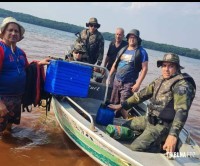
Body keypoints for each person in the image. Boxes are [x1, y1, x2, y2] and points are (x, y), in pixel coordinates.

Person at [108, 53, 196, 153]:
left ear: (177, 67)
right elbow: (141, 95)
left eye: (171, 66)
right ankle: (142, 136)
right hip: (150, 120)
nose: (166, 69)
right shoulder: (160, 80)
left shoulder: (182, 85)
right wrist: (122, 105)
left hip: (163, 126)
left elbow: (182, 110)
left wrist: (173, 135)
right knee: (125, 127)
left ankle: (161, 147)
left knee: (136, 147)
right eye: (164, 66)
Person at [0, 17, 51, 135]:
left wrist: (39, 63)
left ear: (20, 35)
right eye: (10, 30)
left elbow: (26, 69)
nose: (13, 33)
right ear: (3, 32)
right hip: (2, 98)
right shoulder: (1, 50)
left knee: (8, 128)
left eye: (16, 31)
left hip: (16, 98)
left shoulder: (20, 52)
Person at [109, 29, 148, 119]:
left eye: (134, 37)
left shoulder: (141, 52)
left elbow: (145, 69)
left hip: (128, 83)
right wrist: (109, 76)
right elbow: (115, 63)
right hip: (117, 80)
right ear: (127, 38)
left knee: (124, 105)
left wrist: (138, 84)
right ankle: (113, 120)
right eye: (130, 37)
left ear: (138, 39)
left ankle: (129, 123)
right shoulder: (123, 49)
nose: (132, 39)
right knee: (114, 103)